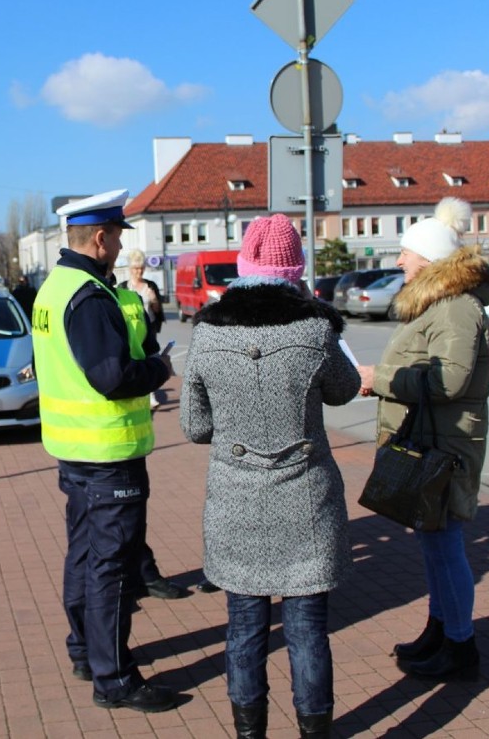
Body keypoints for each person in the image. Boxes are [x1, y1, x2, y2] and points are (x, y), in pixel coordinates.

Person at [179, 214, 360, 739]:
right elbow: (345, 389)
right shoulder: (316, 329)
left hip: (236, 501)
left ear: (244, 264)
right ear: (295, 269)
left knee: (244, 630)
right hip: (306, 496)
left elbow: (194, 427)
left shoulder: (209, 334)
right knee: (307, 631)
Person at [31, 189, 177, 713]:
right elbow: (112, 378)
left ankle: (84, 653)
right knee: (111, 566)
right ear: (100, 238)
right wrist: (160, 368)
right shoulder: (90, 296)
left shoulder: (55, 288)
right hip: (107, 450)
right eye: (116, 235)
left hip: (75, 447)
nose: (119, 245)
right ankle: (113, 678)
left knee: (86, 554)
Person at [357, 197, 489, 681]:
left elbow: (449, 381)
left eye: (406, 252)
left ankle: (460, 646)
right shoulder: (439, 304)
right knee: (435, 544)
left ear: (431, 259)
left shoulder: (456, 309)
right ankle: (441, 630)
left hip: (446, 446)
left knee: (445, 545)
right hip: (433, 441)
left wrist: (383, 377)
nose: (398, 261)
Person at [106, 268, 188, 601]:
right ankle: (127, 585)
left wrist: (155, 363)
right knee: (113, 527)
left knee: (130, 518)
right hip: (107, 435)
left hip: (127, 429)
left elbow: (148, 342)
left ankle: (140, 575)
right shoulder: (84, 300)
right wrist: (159, 370)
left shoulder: (129, 298)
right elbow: (114, 375)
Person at [118, 249, 166, 409]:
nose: (139, 271)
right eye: (135, 268)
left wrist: (154, 301)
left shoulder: (150, 286)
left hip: (148, 328)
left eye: (141, 268)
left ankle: (151, 394)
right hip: (131, 330)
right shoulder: (123, 287)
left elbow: (158, 311)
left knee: (150, 358)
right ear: (130, 269)